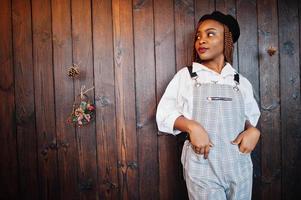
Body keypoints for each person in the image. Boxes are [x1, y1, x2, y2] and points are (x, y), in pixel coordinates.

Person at [156, 11, 261, 200]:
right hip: (202, 164)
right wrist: (192, 126)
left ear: (227, 40)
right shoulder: (187, 77)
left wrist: (253, 131)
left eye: (210, 34)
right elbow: (164, 114)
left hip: (239, 164)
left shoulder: (239, 81)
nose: (201, 40)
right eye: (198, 36)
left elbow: (247, 117)